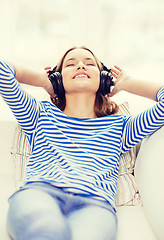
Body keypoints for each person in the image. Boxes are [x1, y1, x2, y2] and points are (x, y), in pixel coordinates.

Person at [0, 46, 164, 240]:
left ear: (103, 79)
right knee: (45, 232)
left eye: (89, 64)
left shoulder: (121, 126)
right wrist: (43, 81)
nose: (80, 66)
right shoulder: (38, 114)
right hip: (40, 193)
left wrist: (128, 83)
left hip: (95, 205)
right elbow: (3, 70)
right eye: (70, 64)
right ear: (58, 79)